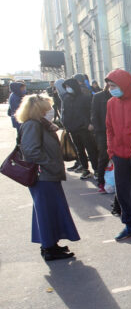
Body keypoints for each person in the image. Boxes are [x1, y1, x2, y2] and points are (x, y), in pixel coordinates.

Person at [16, 94, 80, 261]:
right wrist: (51, 164)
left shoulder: (39, 124)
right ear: (39, 111)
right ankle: (48, 247)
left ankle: (51, 244)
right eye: (47, 109)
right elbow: (31, 151)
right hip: (43, 176)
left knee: (51, 211)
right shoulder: (33, 125)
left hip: (46, 175)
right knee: (46, 212)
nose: (50, 111)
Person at [105, 68, 131, 240]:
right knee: (122, 191)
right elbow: (109, 128)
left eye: (113, 85)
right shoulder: (111, 103)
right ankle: (129, 225)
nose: (111, 89)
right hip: (119, 155)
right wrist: (111, 150)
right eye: (109, 86)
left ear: (124, 84)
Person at [61, 77, 97, 180]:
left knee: (91, 149)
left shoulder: (85, 97)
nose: (68, 88)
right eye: (66, 87)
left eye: (69, 86)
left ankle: (96, 169)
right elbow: (65, 112)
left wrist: (90, 123)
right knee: (79, 150)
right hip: (72, 129)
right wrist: (65, 124)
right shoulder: (66, 98)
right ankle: (85, 169)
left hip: (84, 128)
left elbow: (91, 111)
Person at [91, 82, 112, 193]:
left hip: (118, 132)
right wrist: (99, 132)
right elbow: (94, 115)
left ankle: (115, 182)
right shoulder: (98, 96)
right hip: (103, 133)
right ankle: (101, 182)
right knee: (104, 156)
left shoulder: (121, 96)